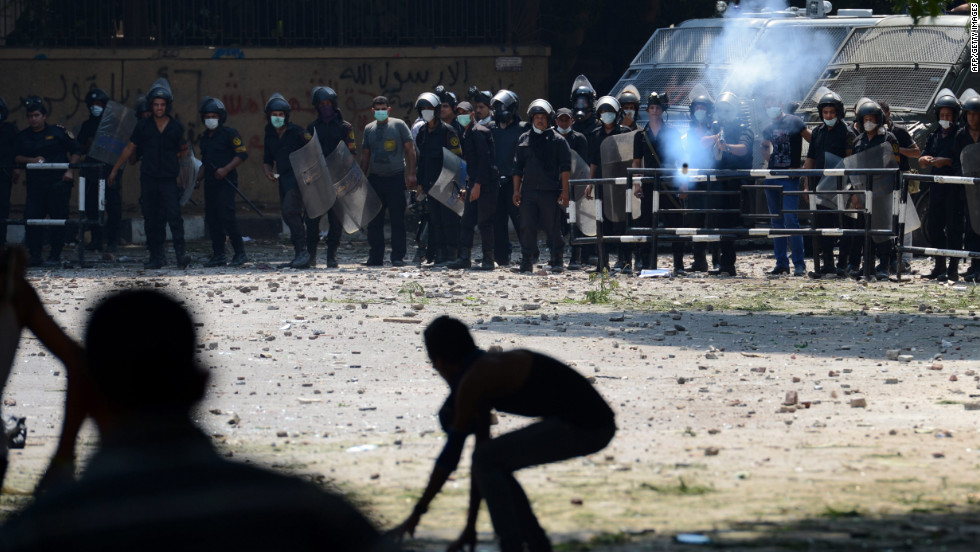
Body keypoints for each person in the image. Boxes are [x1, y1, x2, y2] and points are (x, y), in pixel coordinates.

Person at [0, 287, 391, 552]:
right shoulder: (311, 515)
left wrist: (64, 459)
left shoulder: (45, 531)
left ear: (91, 394)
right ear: (202, 384)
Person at [391, 316, 615, 552]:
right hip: (587, 423)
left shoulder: (475, 379)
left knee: (489, 459)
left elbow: (451, 456)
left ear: (439, 362)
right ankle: (536, 544)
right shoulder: (483, 368)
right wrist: (470, 528)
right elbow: (480, 463)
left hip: (589, 426)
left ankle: (514, 545)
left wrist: (417, 513)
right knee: (491, 461)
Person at [0, 247, 86, 495]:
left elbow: (78, 363)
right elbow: (77, 363)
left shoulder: (15, 292)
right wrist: (64, 455)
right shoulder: (15, 291)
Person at [108, 81, 189, 269]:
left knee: (174, 216)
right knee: (151, 219)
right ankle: (156, 256)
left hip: (169, 179)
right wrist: (115, 168)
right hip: (149, 178)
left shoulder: (176, 127)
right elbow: (130, 148)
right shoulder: (143, 126)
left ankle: (180, 255)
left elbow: (183, 154)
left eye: (162, 105)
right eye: (155, 104)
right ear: (151, 105)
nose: (159, 108)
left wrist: (185, 178)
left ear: (167, 105)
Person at [14, 96, 82, 267]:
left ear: (44, 116)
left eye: (36, 115)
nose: (33, 119)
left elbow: (76, 150)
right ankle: (35, 255)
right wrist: (31, 160)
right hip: (36, 187)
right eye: (30, 116)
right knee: (32, 220)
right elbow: (16, 156)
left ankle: (55, 255)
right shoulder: (23, 136)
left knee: (58, 220)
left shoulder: (58, 132)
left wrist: (69, 170)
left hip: (58, 184)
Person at [513, 100, 571, 274]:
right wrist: (516, 190)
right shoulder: (524, 138)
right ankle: (527, 260)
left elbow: (565, 168)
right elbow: (517, 167)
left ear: (548, 119)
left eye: (543, 117)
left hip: (550, 191)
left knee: (552, 226)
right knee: (526, 226)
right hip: (528, 191)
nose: (539, 120)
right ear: (532, 119)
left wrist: (565, 191)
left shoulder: (558, 141)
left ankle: (557, 259)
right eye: (536, 117)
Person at [803, 89, 855, 278]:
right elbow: (810, 161)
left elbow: (851, 161)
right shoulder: (817, 132)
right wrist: (807, 186)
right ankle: (827, 265)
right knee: (821, 225)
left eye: (832, 113)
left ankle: (843, 264)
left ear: (839, 113)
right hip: (820, 187)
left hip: (842, 187)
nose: (828, 116)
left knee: (844, 225)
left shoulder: (848, 133)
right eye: (825, 113)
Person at [360, 95, 416, 267]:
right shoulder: (369, 129)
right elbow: (366, 155)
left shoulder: (399, 125)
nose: (380, 112)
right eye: (377, 109)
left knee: (397, 220)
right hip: (375, 180)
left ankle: (398, 257)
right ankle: (375, 257)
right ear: (372, 111)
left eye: (383, 108)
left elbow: (410, 150)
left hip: (396, 178)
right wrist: (361, 178)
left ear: (389, 109)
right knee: (374, 221)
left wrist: (412, 173)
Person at [701, 92, 752, 277]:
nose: (724, 113)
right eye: (721, 109)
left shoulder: (743, 128)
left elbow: (744, 148)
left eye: (727, 109)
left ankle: (728, 263)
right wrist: (716, 138)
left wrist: (727, 147)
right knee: (720, 222)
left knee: (733, 224)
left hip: (737, 183)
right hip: (719, 183)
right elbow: (701, 142)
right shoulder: (715, 127)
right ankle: (723, 263)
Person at [195, 96, 249, 267]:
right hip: (210, 183)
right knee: (212, 218)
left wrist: (226, 169)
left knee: (227, 216)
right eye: (208, 116)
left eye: (214, 116)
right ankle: (219, 255)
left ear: (221, 117)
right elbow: (204, 162)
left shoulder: (229, 134)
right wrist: (197, 179)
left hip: (226, 182)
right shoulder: (204, 138)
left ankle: (240, 253)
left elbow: (242, 154)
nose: (211, 120)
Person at [632, 92, 682, 273]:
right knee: (646, 223)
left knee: (675, 222)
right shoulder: (640, 135)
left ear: (663, 110)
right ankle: (646, 262)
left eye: (658, 108)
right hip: (648, 182)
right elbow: (636, 161)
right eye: (652, 108)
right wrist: (637, 183)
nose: (654, 111)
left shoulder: (673, 133)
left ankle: (679, 264)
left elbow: (683, 160)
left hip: (669, 182)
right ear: (647, 110)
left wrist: (683, 181)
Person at [850, 99, 900, 280]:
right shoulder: (858, 141)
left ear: (879, 119)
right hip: (864, 192)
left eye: (872, 118)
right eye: (865, 119)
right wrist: (855, 193)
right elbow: (853, 169)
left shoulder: (889, 138)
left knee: (883, 231)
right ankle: (867, 266)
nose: (868, 122)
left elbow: (896, 165)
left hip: (883, 191)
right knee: (865, 229)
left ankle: (884, 267)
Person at [262, 93, 314, 269]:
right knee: (288, 214)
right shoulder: (269, 135)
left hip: (298, 179)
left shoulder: (298, 132)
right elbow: (267, 159)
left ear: (286, 116)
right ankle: (300, 254)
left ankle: (303, 252)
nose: (277, 118)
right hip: (283, 179)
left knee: (290, 211)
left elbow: (313, 151)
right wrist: (268, 171)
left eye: (281, 114)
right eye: (274, 114)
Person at [307, 86, 356, 268]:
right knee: (312, 220)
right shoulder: (312, 128)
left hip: (337, 179)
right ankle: (311, 254)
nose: (325, 107)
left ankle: (331, 256)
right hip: (318, 182)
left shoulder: (345, 127)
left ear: (334, 105)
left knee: (335, 222)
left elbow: (351, 153)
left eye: (328, 104)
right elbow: (306, 155)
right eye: (321, 104)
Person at [760, 95, 807, 277]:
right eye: (768, 102)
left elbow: (812, 139)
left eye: (773, 102)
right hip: (772, 177)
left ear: (780, 104)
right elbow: (764, 146)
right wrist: (769, 159)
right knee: (776, 221)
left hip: (790, 177)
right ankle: (781, 263)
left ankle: (799, 264)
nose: (770, 105)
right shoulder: (767, 128)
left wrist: (805, 164)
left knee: (791, 220)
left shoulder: (795, 121)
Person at [919, 92, 964, 282]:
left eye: (949, 116)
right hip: (936, 187)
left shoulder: (960, 135)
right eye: (942, 116)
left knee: (953, 228)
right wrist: (924, 159)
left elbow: (963, 161)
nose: (945, 120)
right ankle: (939, 265)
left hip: (954, 187)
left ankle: (953, 268)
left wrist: (947, 162)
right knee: (933, 226)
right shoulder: (934, 135)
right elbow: (923, 157)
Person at [414, 92, 462, 266]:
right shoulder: (422, 133)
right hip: (429, 183)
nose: (426, 111)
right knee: (435, 221)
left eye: (429, 108)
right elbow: (422, 160)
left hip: (447, 183)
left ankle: (452, 255)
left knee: (449, 220)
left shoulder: (448, 131)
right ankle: (440, 254)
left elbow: (457, 159)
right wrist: (420, 183)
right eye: (423, 108)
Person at [447, 102, 497, 270]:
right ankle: (464, 257)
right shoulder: (466, 133)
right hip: (474, 182)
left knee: (484, 222)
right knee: (467, 221)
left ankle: (488, 259)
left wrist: (477, 186)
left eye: (465, 112)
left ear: (472, 114)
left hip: (486, 184)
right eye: (458, 112)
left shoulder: (479, 133)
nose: (461, 115)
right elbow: (471, 164)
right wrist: (468, 186)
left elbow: (485, 162)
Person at [585, 96, 631, 272]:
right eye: (603, 111)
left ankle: (624, 261)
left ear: (617, 113)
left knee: (621, 223)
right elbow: (593, 161)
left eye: (610, 111)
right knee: (601, 222)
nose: (607, 115)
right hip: (602, 184)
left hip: (620, 185)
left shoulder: (624, 132)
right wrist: (590, 183)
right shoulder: (595, 135)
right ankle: (602, 262)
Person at [76, 88, 120, 255]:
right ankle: (96, 239)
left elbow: (120, 146)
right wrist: (89, 145)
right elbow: (79, 148)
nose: (96, 107)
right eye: (93, 104)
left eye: (99, 104)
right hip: (92, 172)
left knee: (114, 207)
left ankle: (113, 241)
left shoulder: (113, 124)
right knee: (91, 206)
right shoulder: (87, 125)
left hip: (110, 170)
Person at [487, 90, 527, 267]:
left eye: (503, 107)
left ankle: (529, 254)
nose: (499, 110)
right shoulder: (490, 128)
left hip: (515, 181)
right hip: (496, 181)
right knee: (497, 222)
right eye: (497, 107)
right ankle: (501, 257)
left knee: (521, 220)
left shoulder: (523, 128)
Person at [880, 102, 920, 275]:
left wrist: (896, 150)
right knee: (885, 221)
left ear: (888, 114)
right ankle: (888, 260)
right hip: (881, 180)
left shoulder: (899, 131)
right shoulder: (874, 133)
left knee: (905, 221)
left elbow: (916, 152)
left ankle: (905, 260)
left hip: (900, 178)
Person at [683, 93, 719, 273]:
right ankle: (699, 260)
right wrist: (683, 179)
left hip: (713, 179)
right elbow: (683, 159)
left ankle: (717, 260)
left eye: (703, 107)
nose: (700, 111)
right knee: (694, 221)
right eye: (697, 107)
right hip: (694, 180)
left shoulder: (715, 130)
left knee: (713, 220)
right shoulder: (688, 134)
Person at [554, 107, 589, 270]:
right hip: (555, 185)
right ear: (556, 121)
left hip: (575, 186)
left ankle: (576, 257)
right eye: (560, 119)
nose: (563, 122)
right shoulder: (551, 138)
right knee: (556, 223)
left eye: (566, 119)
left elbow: (582, 164)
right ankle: (557, 257)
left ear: (572, 121)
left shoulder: (580, 139)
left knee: (576, 222)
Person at [955, 93, 980, 282]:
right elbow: (957, 161)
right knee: (970, 228)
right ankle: (973, 265)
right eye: (969, 114)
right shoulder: (960, 135)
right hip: (968, 190)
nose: (972, 117)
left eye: (975, 113)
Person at [0, 97, 17, 250]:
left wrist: (15, 168)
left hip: (3, 175)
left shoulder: (9, 130)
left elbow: (16, 151)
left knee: (2, 208)